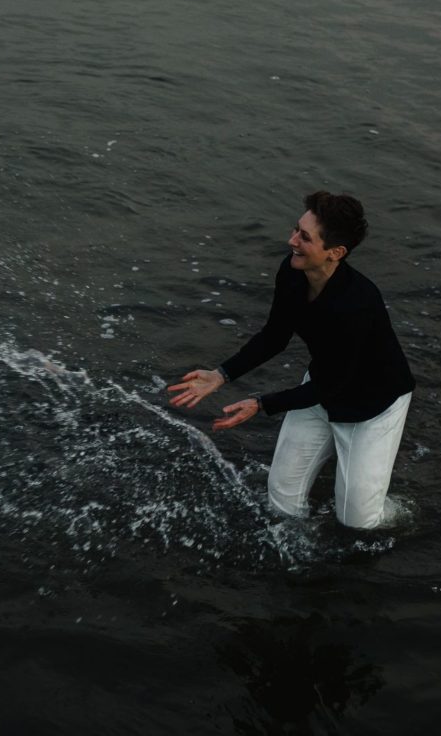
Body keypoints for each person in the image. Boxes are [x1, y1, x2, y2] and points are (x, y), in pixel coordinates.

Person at [169, 192, 414, 529]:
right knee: (281, 498)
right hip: (323, 386)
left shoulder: (357, 304)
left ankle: (398, 512)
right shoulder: (292, 271)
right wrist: (221, 375)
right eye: (296, 230)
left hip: (373, 404)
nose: (292, 240)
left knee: (359, 520)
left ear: (335, 253)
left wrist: (260, 403)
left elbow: (334, 384)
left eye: (304, 237)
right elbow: (275, 335)